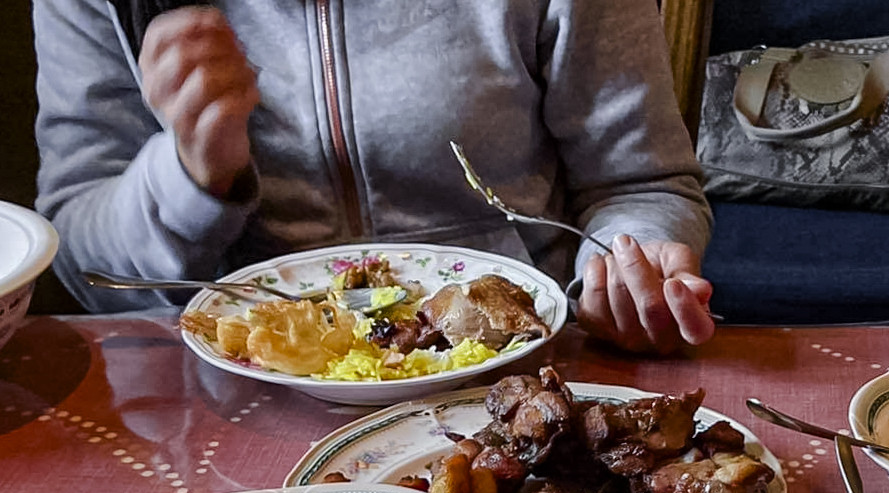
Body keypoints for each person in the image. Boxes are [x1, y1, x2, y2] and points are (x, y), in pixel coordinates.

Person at [34, 0, 714, 353]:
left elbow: (640, 186)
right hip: (238, 398)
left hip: (515, 373)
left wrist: (623, 272)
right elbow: (86, 268)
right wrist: (191, 179)